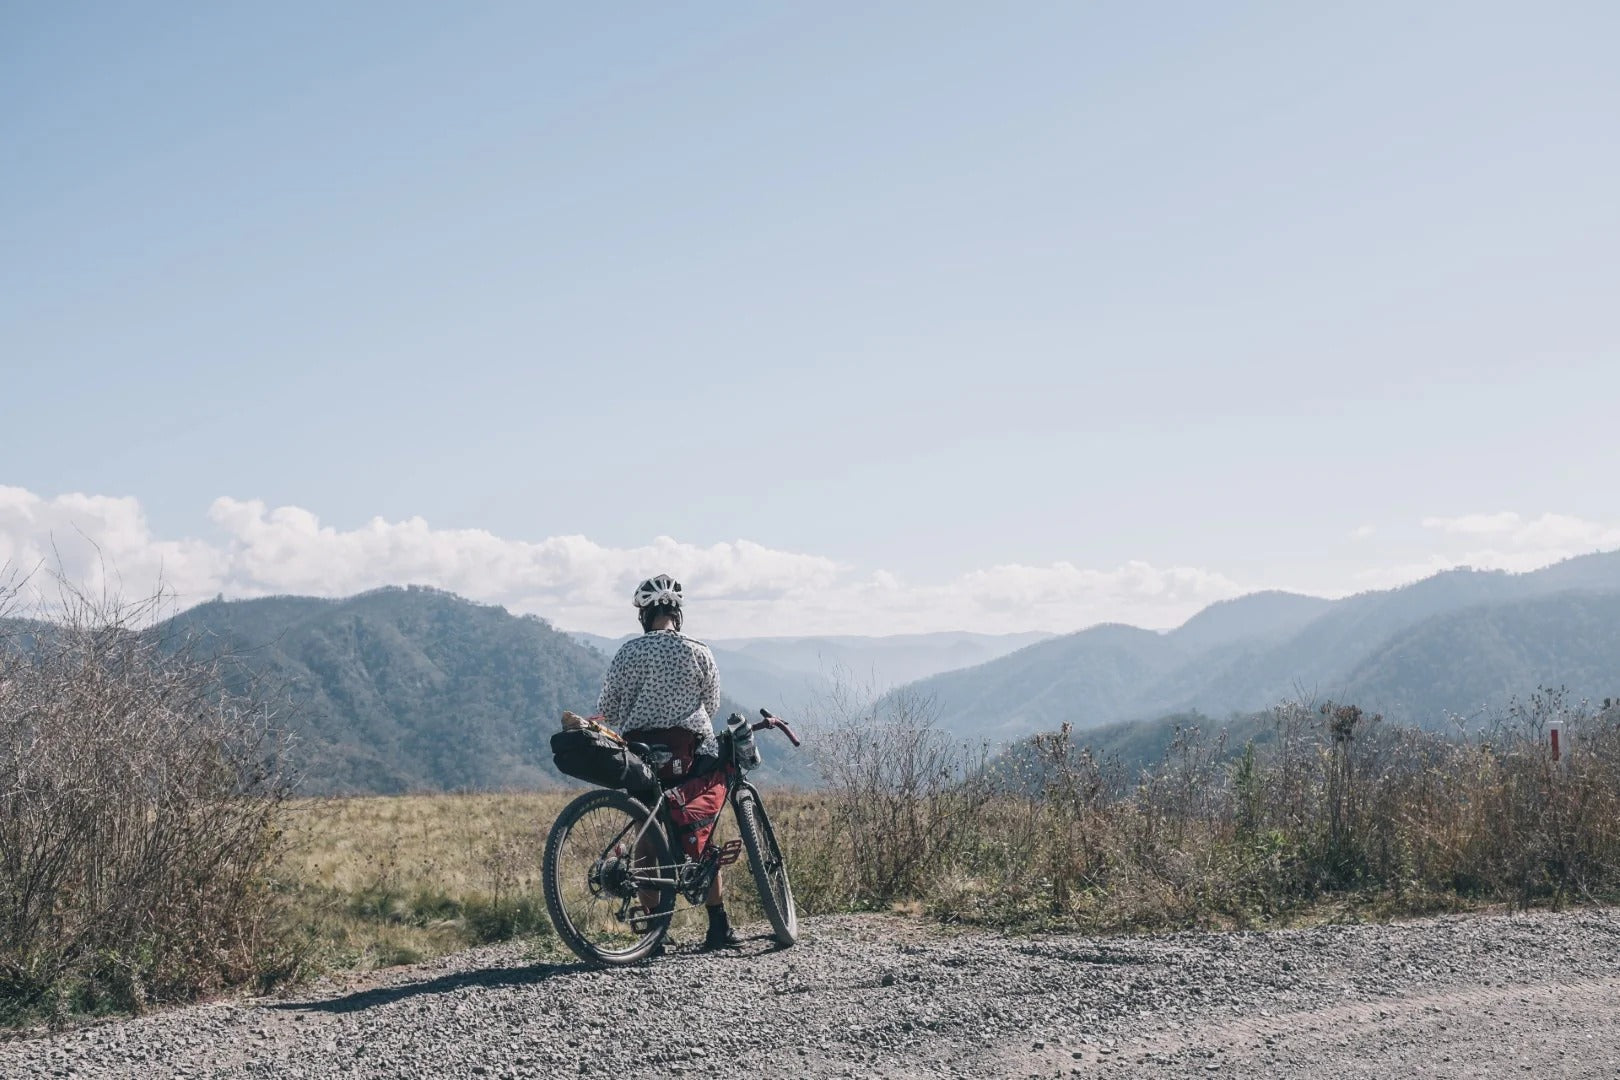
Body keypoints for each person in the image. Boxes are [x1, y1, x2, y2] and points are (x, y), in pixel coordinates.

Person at [596, 573, 738, 950]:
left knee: (646, 837)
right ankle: (718, 925)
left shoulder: (628, 652)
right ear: (677, 613)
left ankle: (653, 932)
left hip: (641, 756)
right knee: (699, 828)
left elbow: (607, 710)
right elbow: (711, 705)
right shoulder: (699, 651)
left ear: (644, 615)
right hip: (688, 753)